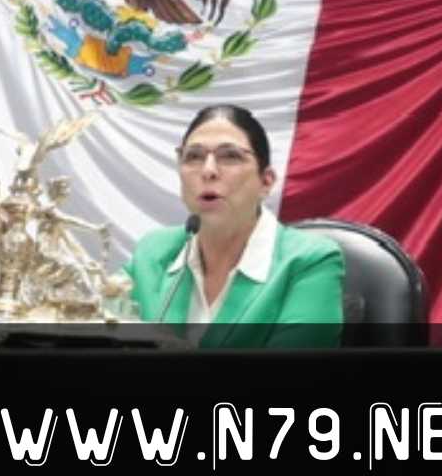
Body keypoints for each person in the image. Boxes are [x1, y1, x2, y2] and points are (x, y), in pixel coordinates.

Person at [124, 105, 345, 347]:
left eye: (230, 156)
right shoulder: (152, 251)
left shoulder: (310, 261)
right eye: (194, 156)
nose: (208, 170)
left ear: (266, 182)